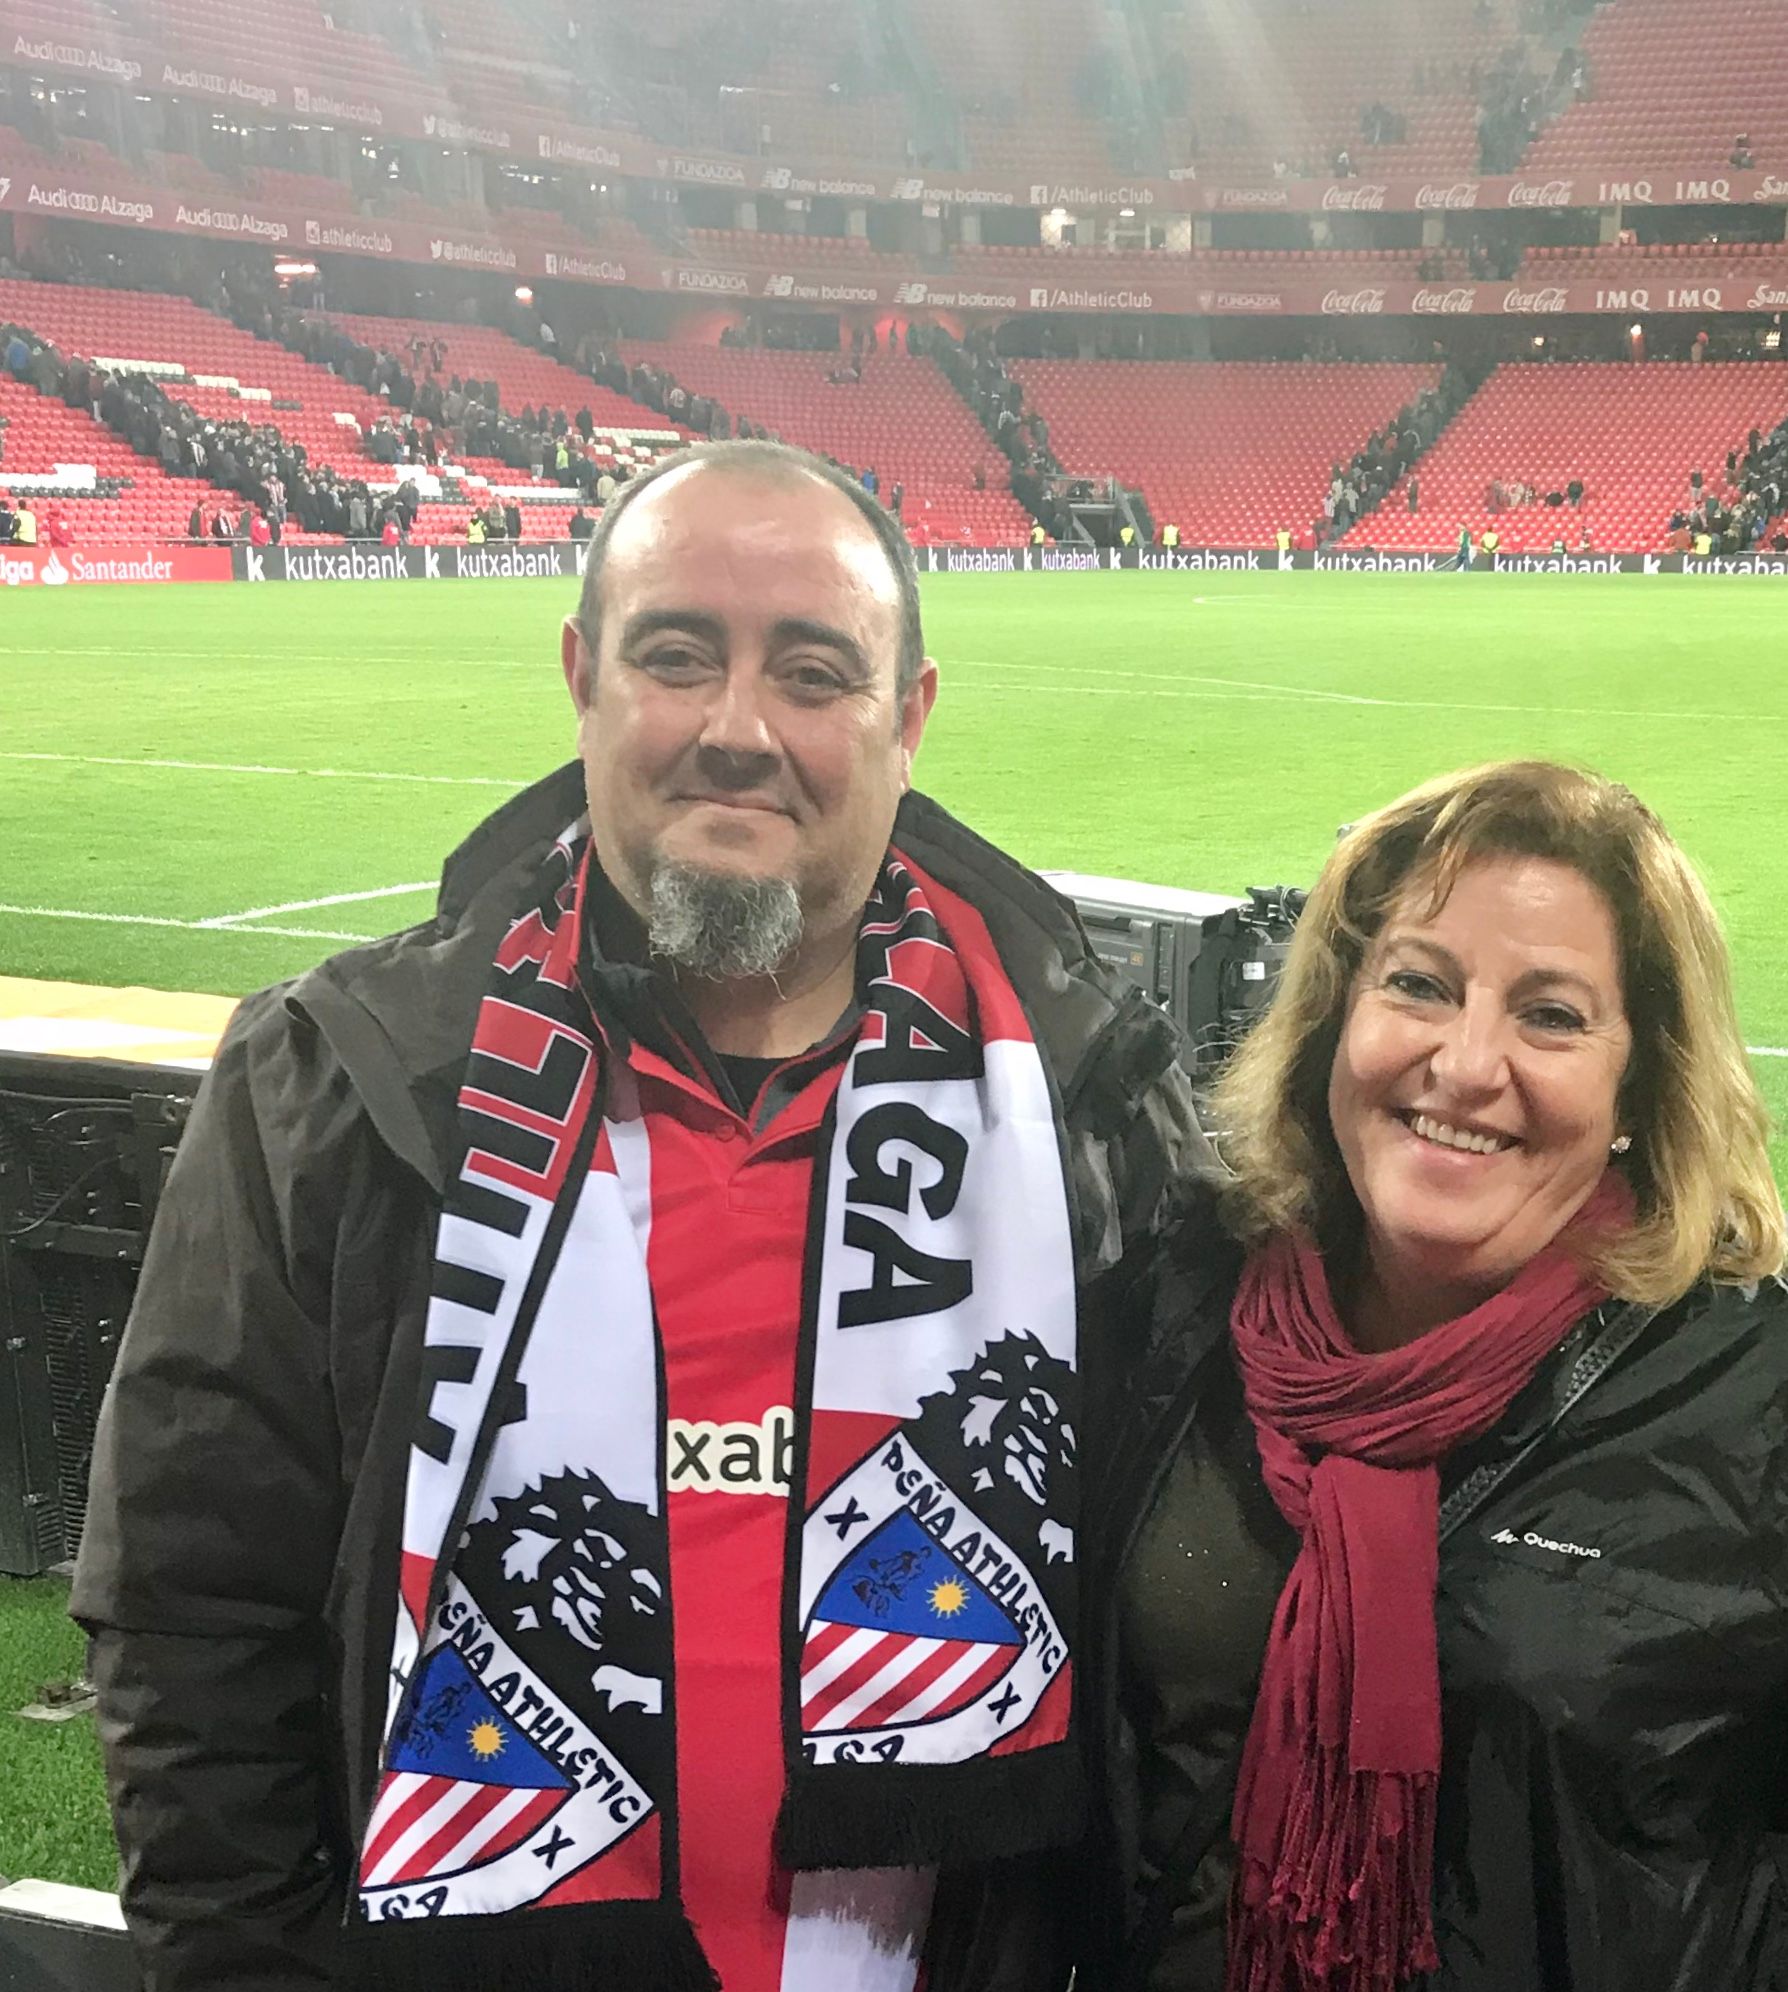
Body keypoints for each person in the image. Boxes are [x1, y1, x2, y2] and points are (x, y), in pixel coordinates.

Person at [72, 441, 1204, 1992]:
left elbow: (1174, 1647)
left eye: (815, 674)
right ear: (584, 678)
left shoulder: (1084, 1103)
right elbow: (193, 1622)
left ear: (910, 718)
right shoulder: (340, 1084)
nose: (740, 731)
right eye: (679, 657)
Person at [1090, 759, 1788, 1992]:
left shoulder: (1749, 1396)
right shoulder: (1183, 1302)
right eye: (1419, 984)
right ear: (1334, 1020)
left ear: (1638, 1083)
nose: (1467, 1066)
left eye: (1553, 1015)